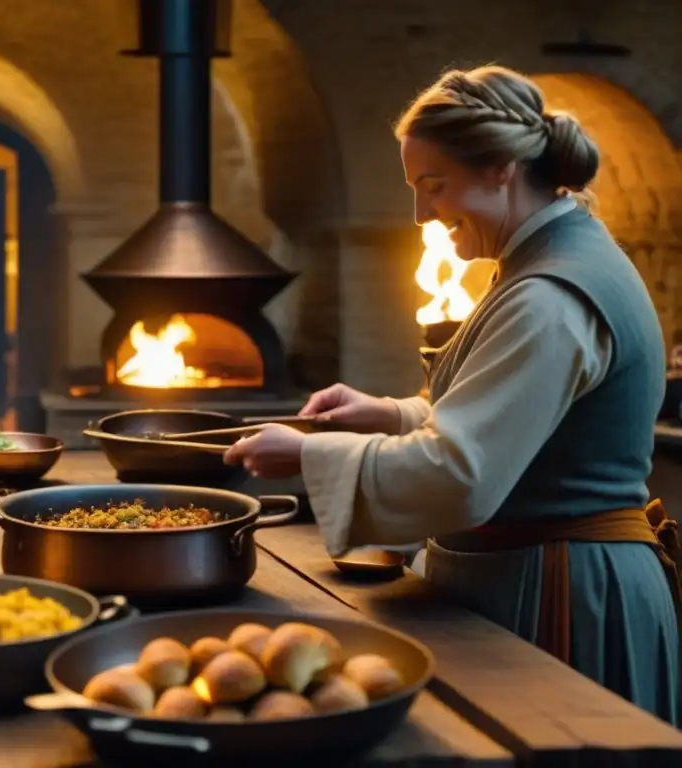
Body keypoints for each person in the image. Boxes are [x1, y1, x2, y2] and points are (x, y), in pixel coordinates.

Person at [224, 64, 681, 724]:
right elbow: (521, 419)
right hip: (543, 570)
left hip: (561, 591)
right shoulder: (545, 261)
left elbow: (466, 473)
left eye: (433, 186)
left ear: (499, 167)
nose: (420, 213)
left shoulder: (550, 296)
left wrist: (307, 457)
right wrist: (389, 414)